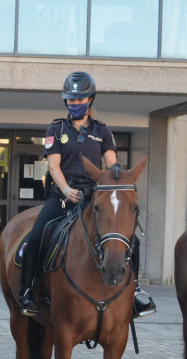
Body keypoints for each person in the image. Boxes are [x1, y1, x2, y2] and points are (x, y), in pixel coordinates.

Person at [18, 71, 156, 319]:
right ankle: (27, 292)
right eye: (70, 100)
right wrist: (66, 190)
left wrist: (115, 184)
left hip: (94, 199)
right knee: (35, 238)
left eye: (79, 100)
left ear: (90, 100)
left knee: (130, 240)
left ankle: (134, 293)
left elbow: (112, 168)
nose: (74, 104)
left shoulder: (102, 131)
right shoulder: (56, 127)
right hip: (62, 196)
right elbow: (53, 166)